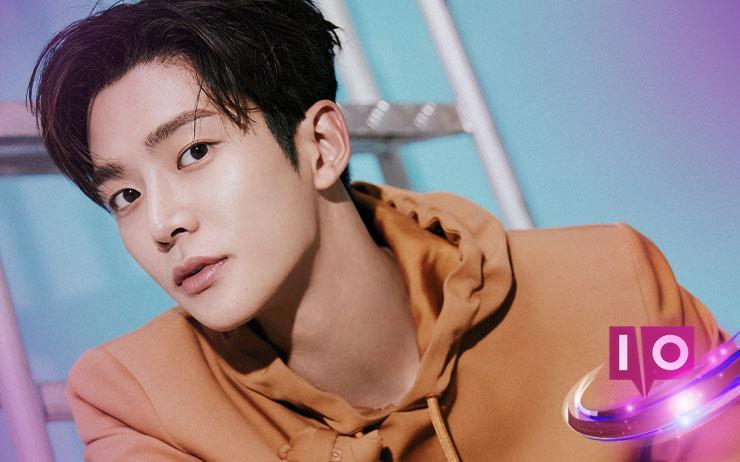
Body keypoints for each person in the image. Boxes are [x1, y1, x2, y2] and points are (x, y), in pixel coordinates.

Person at [28, 1, 735, 460]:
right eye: (124, 195)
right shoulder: (142, 402)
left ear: (322, 146)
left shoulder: (610, 288)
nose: (161, 223)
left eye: (194, 153)